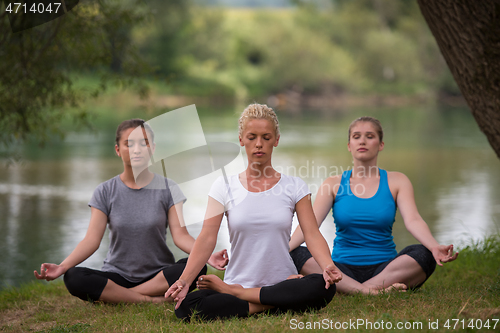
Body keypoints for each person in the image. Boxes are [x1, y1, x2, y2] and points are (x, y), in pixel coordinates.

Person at [165, 104, 343, 321]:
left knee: (323, 287)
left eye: (266, 137)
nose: (259, 144)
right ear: (241, 139)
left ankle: (242, 297)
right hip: (240, 280)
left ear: (276, 140)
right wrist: (184, 281)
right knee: (186, 307)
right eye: (252, 137)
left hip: (282, 282)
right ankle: (275, 303)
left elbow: (312, 233)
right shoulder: (223, 186)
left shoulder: (295, 186)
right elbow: (207, 237)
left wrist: (327, 265)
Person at [34, 118, 227, 303]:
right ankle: (149, 300)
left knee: (196, 266)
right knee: (74, 276)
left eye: (143, 143)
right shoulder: (105, 191)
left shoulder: (169, 188)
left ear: (152, 148)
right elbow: (91, 240)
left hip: (159, 275)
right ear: (118, 150)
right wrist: (62, 267)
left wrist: (207, 256)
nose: (137, 150)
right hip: (117, 275)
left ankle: (118, 296)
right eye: (129, 144)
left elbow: (180, 236)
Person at [289, 116, 459, 295]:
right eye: (356, 136)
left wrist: (434, 247)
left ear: (381, 144)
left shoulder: (397, 181)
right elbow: (309, 226)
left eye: (370, 136)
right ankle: (371, 291)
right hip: (341, 270)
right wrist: (284, 248)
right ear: (349, 145)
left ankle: (350, 291)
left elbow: (413, 220)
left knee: (423, 253)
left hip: (386, 269)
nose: (362, 141)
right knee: (297, 254)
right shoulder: (333, 183)